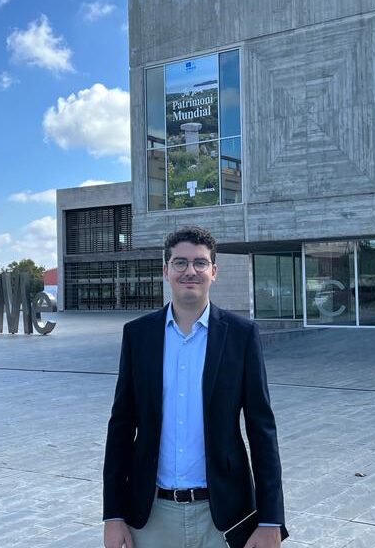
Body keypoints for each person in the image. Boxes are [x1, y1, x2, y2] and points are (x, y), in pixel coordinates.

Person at [103, 226, 286, 548]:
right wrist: (113, 514)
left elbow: (262, 430)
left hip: (224, 517)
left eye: (200, 262)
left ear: (214, 271)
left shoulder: (241, 335)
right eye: (180, 262)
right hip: (151, 516)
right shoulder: (138, 335)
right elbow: (121, 427)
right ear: (166, 270)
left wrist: (271, 520)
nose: (190, 271)